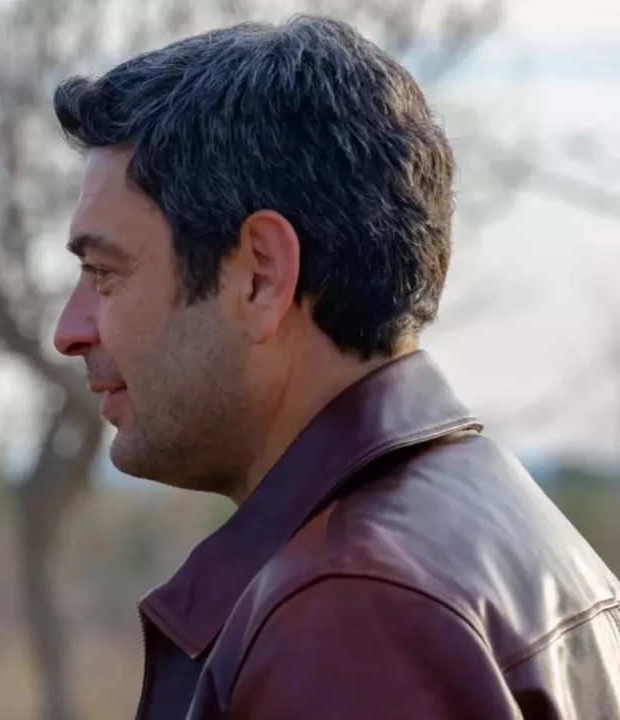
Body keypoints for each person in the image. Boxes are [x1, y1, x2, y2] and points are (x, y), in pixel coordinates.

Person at [50, 14, 620, 720]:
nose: (69, 331)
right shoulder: (492, 520)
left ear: (261, 276)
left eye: (105, 275)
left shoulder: (351, 610)